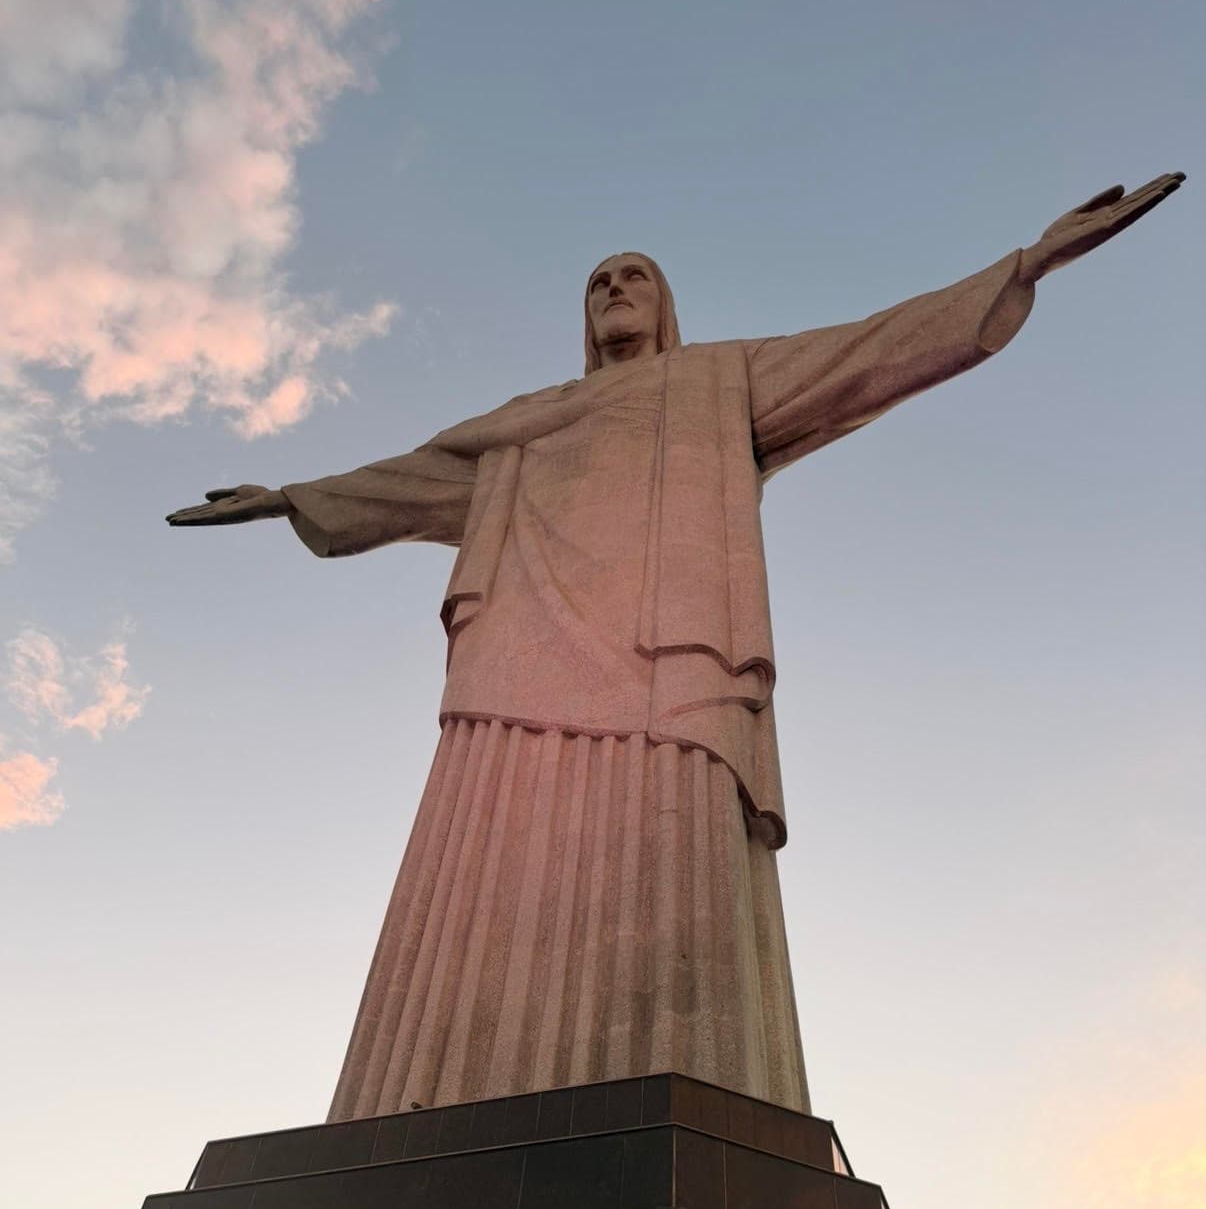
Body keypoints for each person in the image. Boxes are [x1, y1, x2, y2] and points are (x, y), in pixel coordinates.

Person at [169, 174, 1184, 1120]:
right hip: (515, 659)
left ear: (663, 306)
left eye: (634, 276)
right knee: (488, 854)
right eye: (600, 281)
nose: (616, 289)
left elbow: (870, 350)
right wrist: (289, 497)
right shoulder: (523, 424)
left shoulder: (721, 381)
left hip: (673, 660)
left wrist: (1026, 264)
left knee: (672, 855)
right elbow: (407, 479)